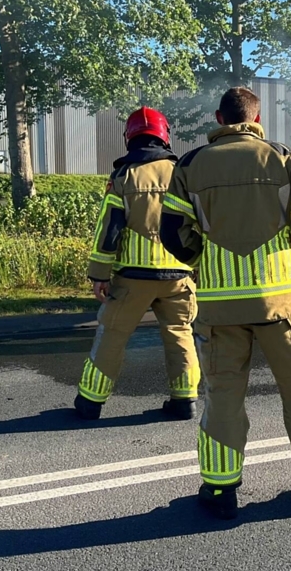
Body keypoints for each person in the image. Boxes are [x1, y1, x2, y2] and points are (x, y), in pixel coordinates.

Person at [160, 87, 291, 519]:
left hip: (221, 307)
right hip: (281, 301)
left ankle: (221, 491)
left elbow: (172, 230)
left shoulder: (190, 165)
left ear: (219, 118)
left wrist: (203, 257)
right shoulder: (283, 157)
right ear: (256, 118)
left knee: (223, 395)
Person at [76, 107, 199, 421]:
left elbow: (109, 230)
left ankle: (91, 402)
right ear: (164, 135)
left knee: (113, 334)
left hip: (133, 278)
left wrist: (99, 275)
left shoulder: (123, 175)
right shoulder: (183, 172)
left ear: (129, 137)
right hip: (179, 274)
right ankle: (185, 400)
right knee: (180, 333)